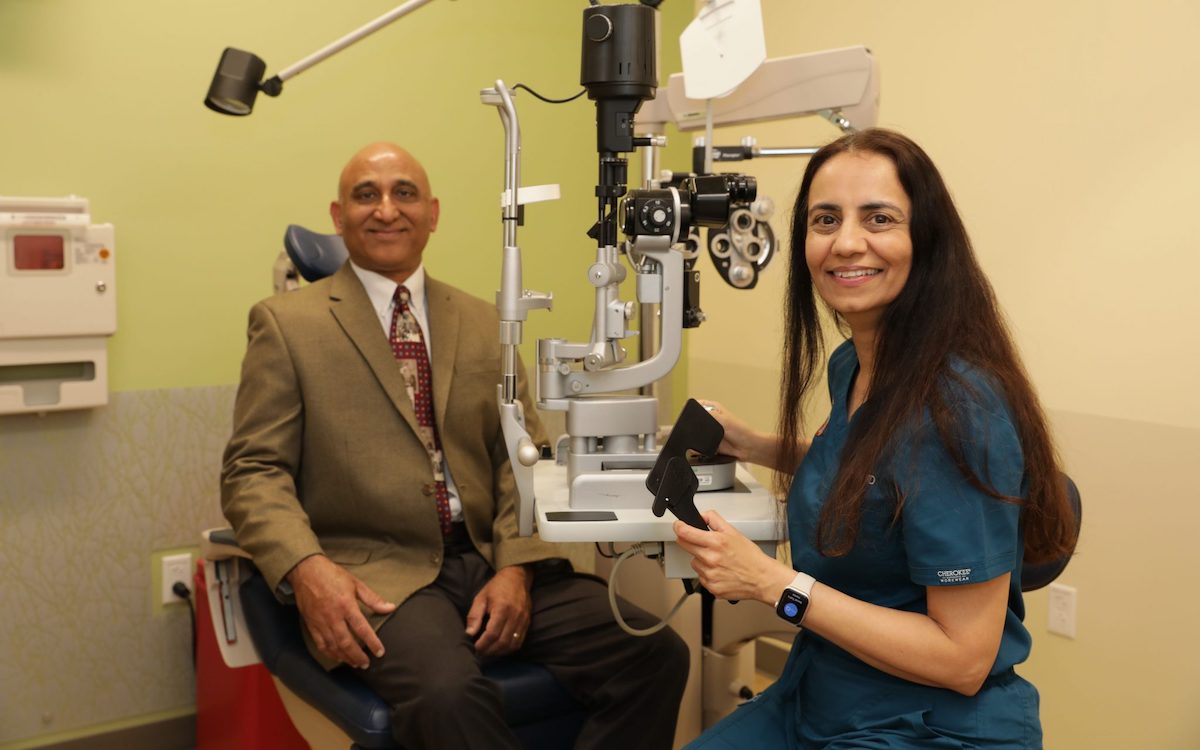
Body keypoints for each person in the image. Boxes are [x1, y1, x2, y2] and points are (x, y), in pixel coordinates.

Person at [221, 141, 688, 750]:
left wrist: (518, 565)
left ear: (433, 213)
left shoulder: (483, 321)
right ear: (338, 217)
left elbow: (521, 455)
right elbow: (253, 471)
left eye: (404, 193)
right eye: (366, 195)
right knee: (449, 697)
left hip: (490, 556)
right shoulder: (287, 324)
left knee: (653, 655)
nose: (386, 209)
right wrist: (309, 571)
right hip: (377, 573)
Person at [674, 129, 1078, 749]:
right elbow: (863, 471)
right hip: (827, 689)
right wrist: (753, 444)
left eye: (879, 218)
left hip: (928, 722)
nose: (846, 243)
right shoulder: (854, 364)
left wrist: (769, 582)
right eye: (825, 219)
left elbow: (963, 661)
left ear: (926, 240)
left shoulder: (956, 409)